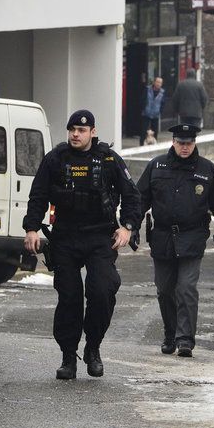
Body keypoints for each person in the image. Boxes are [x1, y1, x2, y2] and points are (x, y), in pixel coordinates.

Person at [23, 109, 141, 380]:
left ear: (93, 132)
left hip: (101, 237)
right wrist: (31, 227)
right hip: (65, 236)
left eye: (82, 130)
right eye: (72, 129)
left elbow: (132, 197)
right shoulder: (56, 159)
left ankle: (93, 347)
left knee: (102, 291)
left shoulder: (109, 159)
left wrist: (127, 227)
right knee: (69, 297)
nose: (76, 134)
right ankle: (68, 356)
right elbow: (38, 195)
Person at [136, 123, 214, 357]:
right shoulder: (157, 166)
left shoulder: (207, 170)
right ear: (173, 142)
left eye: (189, 143)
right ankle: (170, 334)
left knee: (186, 288)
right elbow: (140, 200)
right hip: (162, 237)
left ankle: (184, 340)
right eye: (180, 143)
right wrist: (130, 228)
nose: (184, 147)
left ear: (194, 143)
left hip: (192, 237)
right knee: (164, 289)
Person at [139, 76, 165, 146]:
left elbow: (163, 103)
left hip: (155, 114)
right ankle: (142, 145)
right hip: (146, 113)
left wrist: (160, 111)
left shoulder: (162, 92)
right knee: (144, 131)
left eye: (160, 83)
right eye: (157, 82)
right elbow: (142, 100)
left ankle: (154, 145)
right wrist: (143, 108)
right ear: (154, 82)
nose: (158, 84)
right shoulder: (147, 89)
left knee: (155, 131)